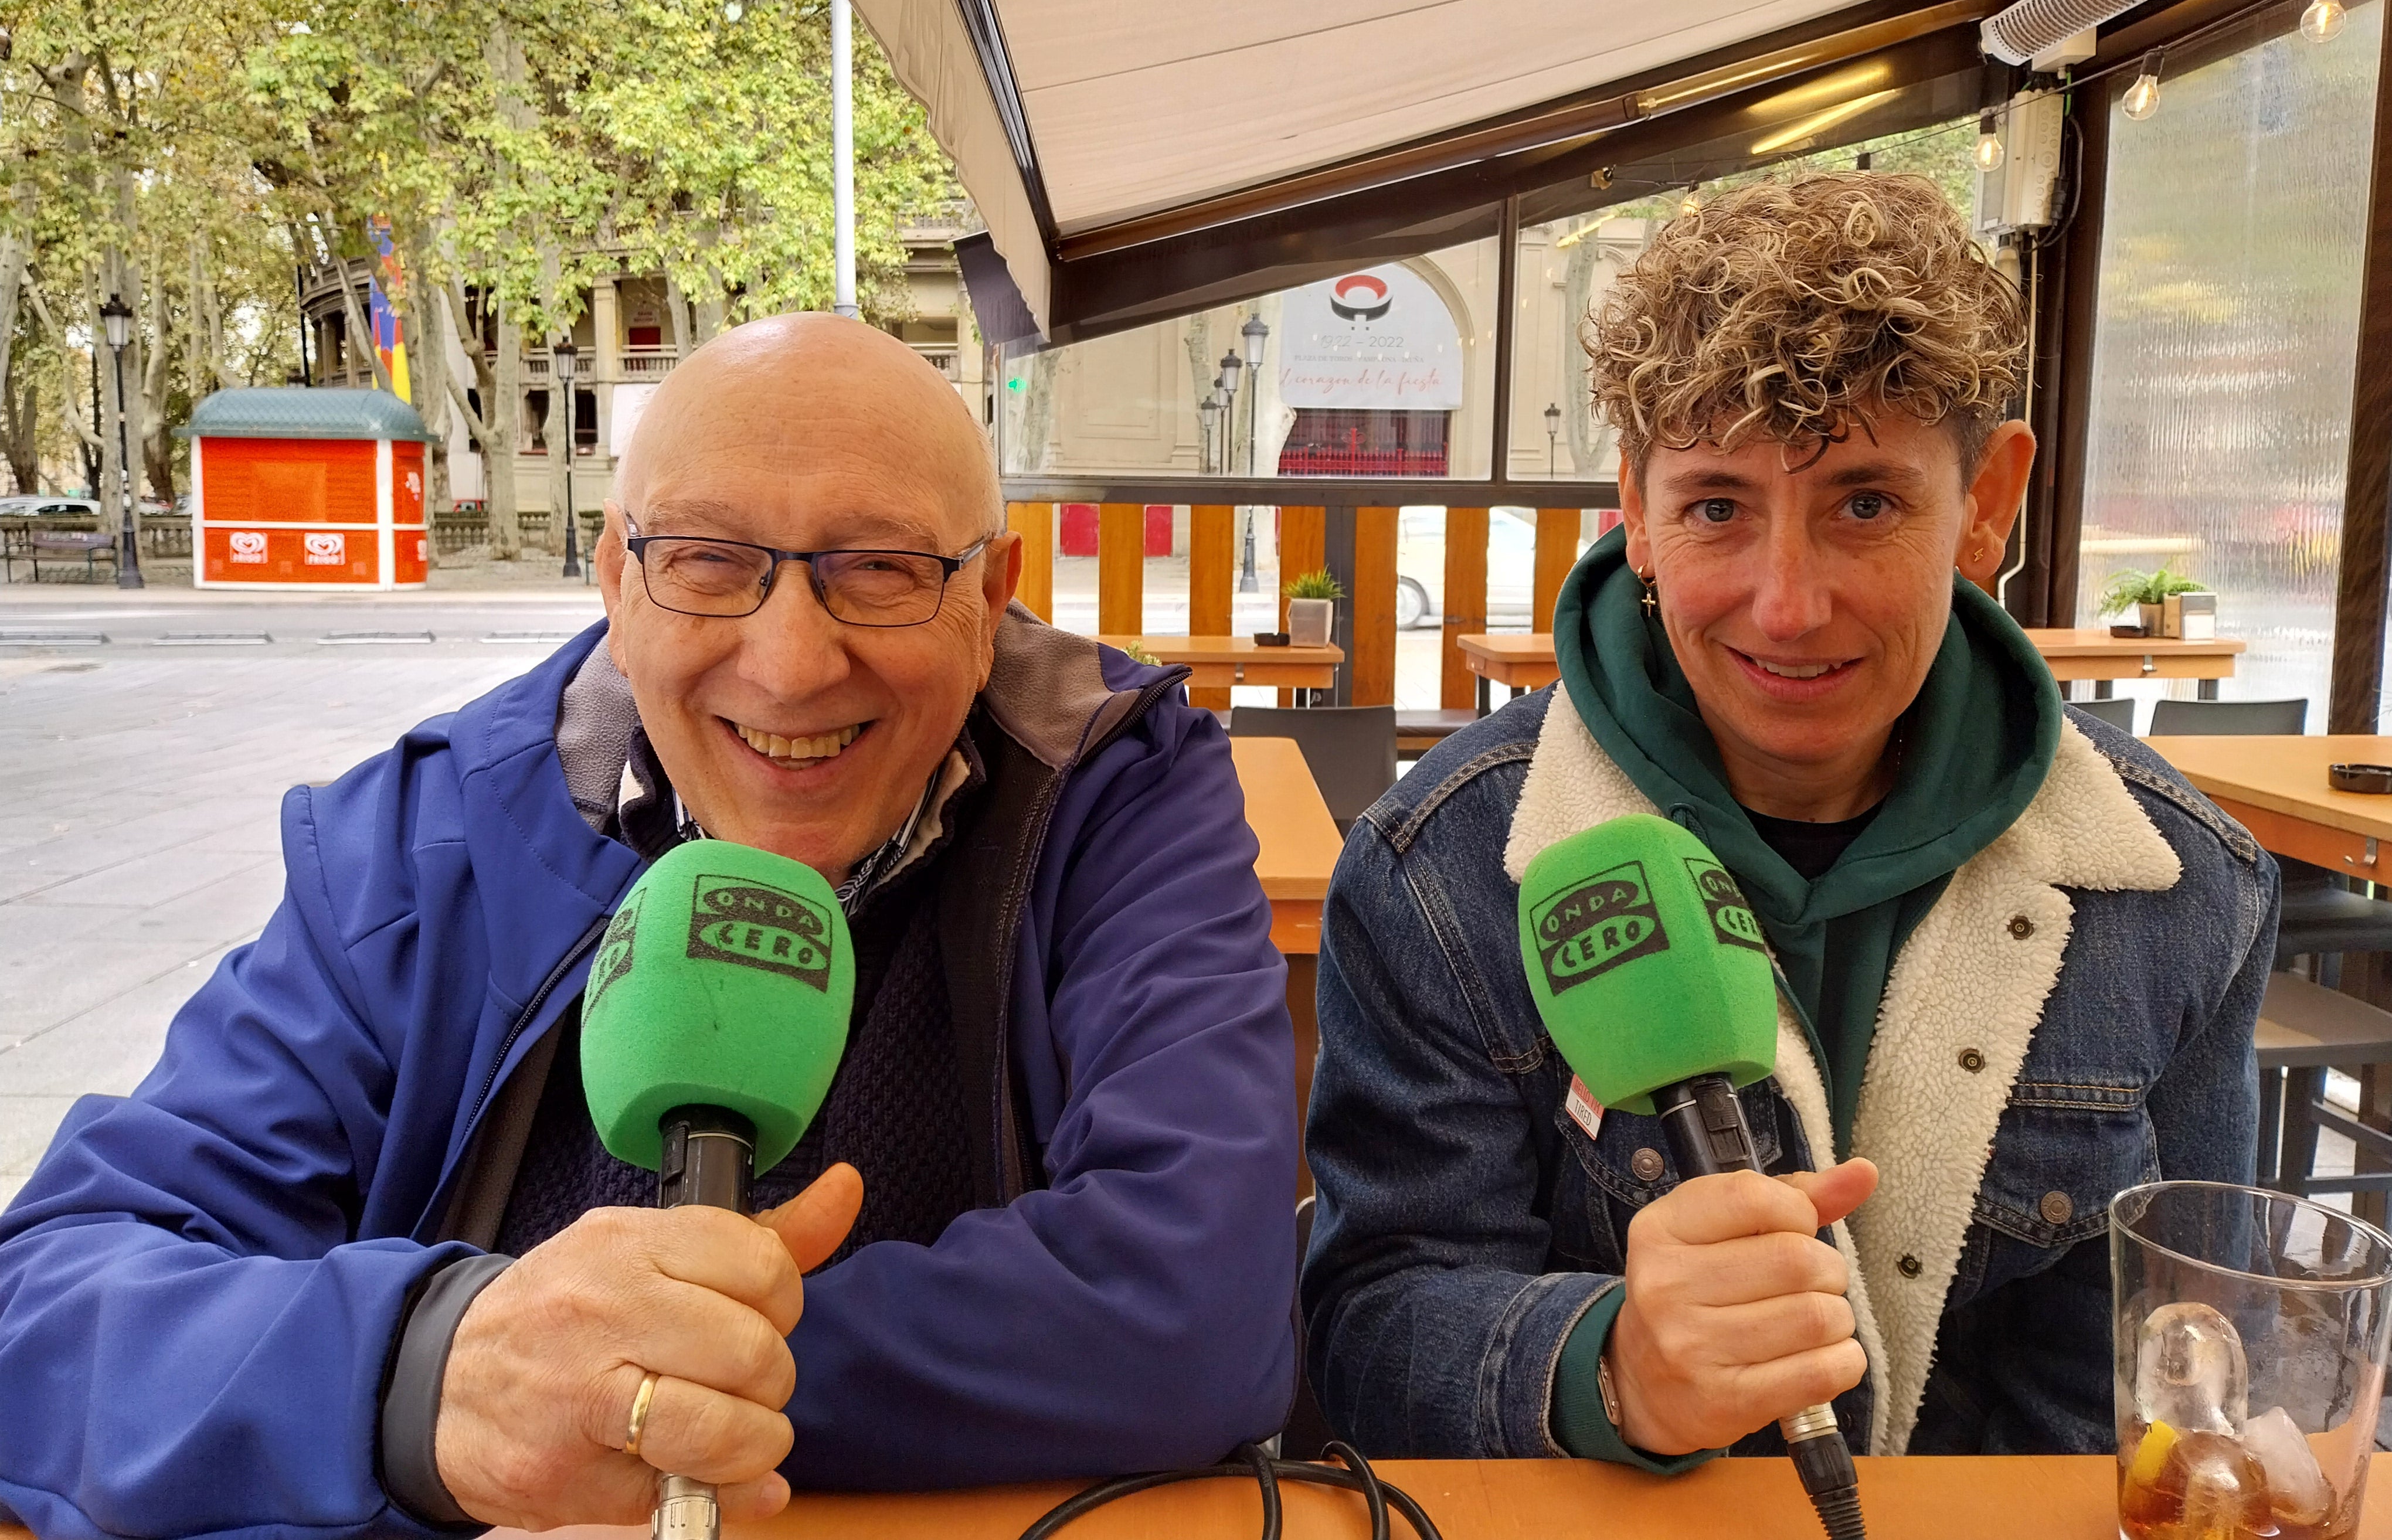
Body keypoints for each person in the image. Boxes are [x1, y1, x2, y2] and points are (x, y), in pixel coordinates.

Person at [0, 317, 1296, 1538]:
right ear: (618, 580)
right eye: (706, 561)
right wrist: (430, 1369)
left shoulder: (1117, 794)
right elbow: (46, 1313)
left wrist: (627, 1379)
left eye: (882, 569)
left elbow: (1199, 1309)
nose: (790, 665)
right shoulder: (420, 845)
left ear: (992, 594)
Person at [1302, 174, 2275, 1466]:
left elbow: (2171, 1356)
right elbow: (1372, 1329)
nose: (1787, 606)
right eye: (1717, 507)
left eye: (1866, 504)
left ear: (1987, 503)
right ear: (1636, 511)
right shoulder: (1439, 872)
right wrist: (1608, 1371)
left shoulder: (2181, 886)